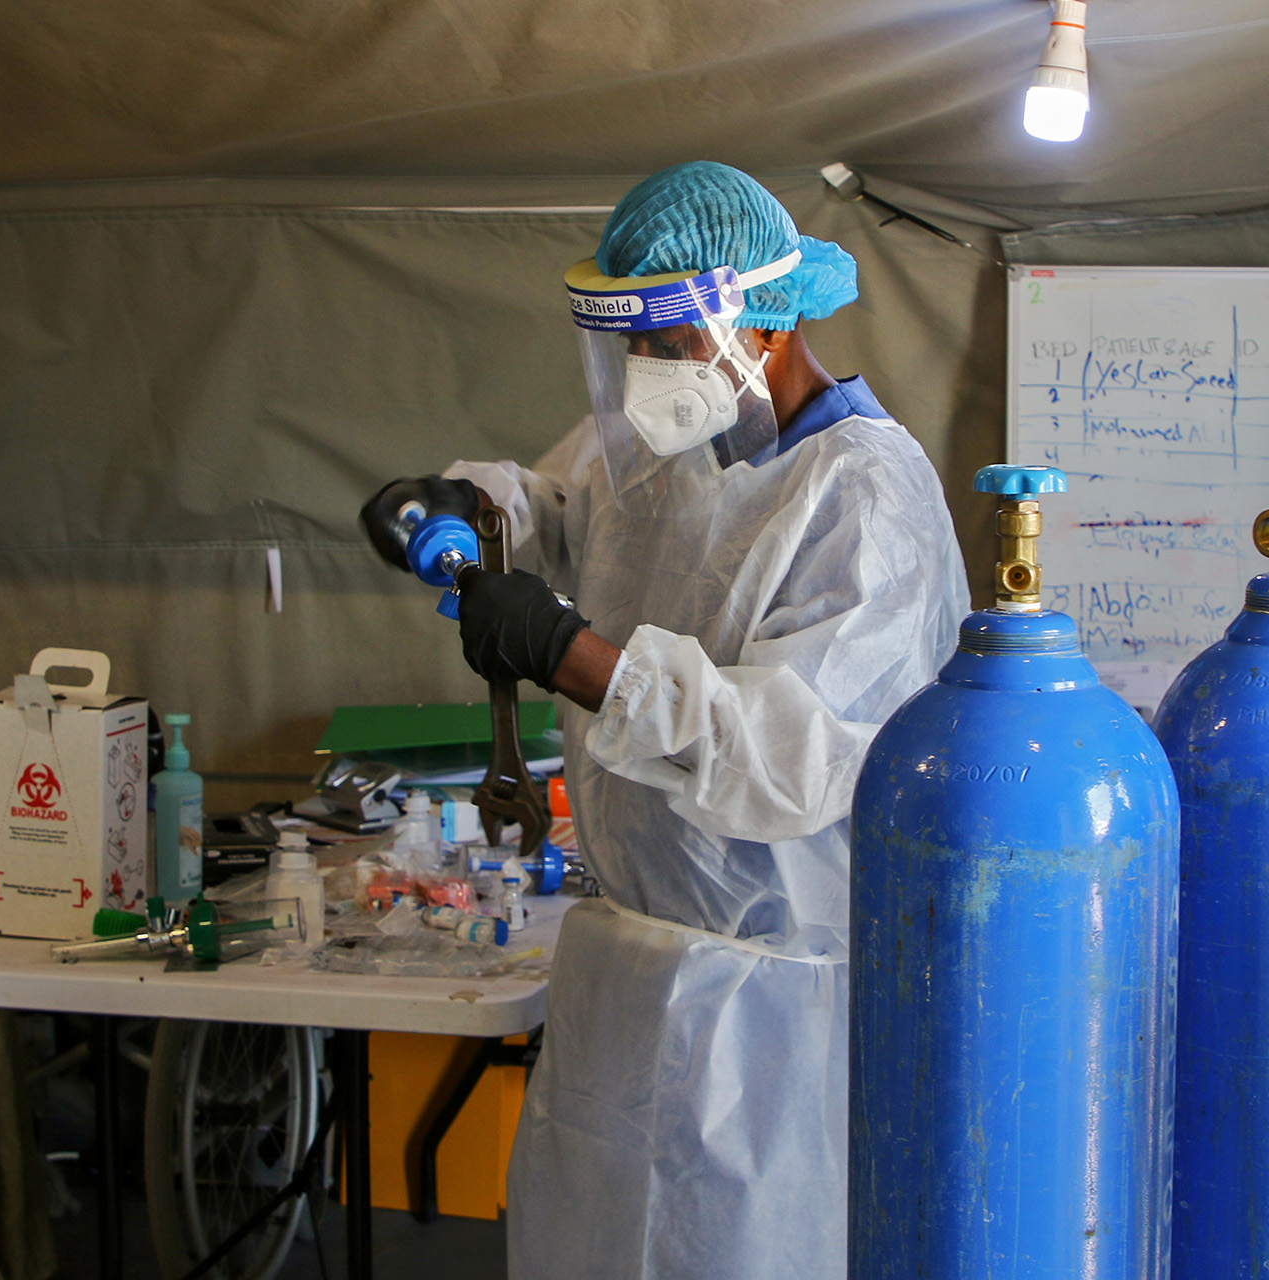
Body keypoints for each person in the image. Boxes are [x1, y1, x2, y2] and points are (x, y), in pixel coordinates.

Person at [362, 161, 969, 1279]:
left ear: (764, 327)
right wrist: (466, 507)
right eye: (628, 347)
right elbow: (555, 506)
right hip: (623, 974)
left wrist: (564, 652)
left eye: (669, 344)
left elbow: (789, 753)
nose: (646, 379)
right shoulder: (663, 440)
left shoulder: (866, 499)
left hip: (770, 1015)